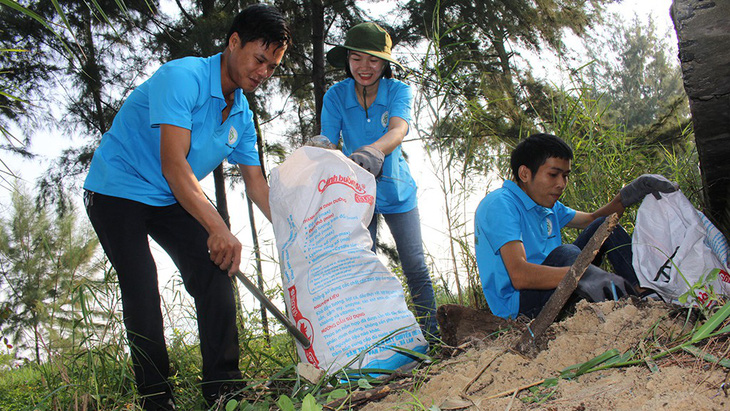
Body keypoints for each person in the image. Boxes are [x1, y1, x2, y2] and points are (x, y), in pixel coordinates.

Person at [82, 4, 290, 409]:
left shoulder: (242, 115)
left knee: (216, 272)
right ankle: (157, 397)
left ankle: (224, 390)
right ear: (233, 42)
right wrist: (218, 227)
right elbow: (175, 166)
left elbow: (257, 185)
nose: (264, 72)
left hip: (168, 196)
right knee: (142, 282)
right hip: (116, 189)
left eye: (273, 66)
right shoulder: (184, 77)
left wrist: (295, 234)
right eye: (259, 59)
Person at [474, 133, 678, 319]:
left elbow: (591, 220)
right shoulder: (501, 204)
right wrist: (584, 274)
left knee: (604, 226)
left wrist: (627, 196)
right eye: (554, 175)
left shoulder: (546, 204)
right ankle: (624, 308)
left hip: (558, 284)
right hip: (521, 307)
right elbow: (519, 275)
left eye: (565, 175)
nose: (561, 184)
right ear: (525, 174)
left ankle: (643, 294)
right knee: (567, 252)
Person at [319, 22, 439, 338]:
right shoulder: (335, 95)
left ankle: (434, 338)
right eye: (356, 58)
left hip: (397, 191)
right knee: (364, 270)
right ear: (347, 60)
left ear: (385, 63)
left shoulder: (398, 91)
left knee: (415, 268)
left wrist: (372, 151)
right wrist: (316, 155)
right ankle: (378, 343)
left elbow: (399, 129)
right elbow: (328, 142)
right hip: (357, 197)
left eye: (373, 59)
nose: (364, 67)